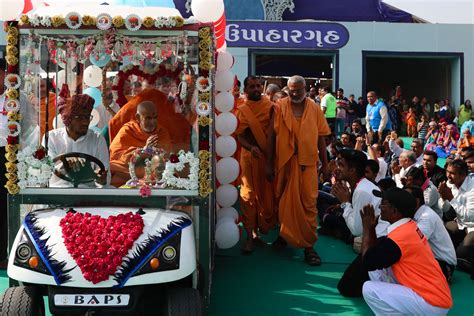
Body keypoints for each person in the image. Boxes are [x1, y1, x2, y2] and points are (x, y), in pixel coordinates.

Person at [266, 75, 331, 266]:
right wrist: (269, 164)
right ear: (288, 89)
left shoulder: (315, 108)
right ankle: (284, 235)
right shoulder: (279, 107)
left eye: (299, 90)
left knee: (309, 205)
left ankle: (309, 246)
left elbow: (321, 138)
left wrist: (326, 165)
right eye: (292, 90)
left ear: (305, 89)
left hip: (307, 165)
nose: (295, 93)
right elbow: (271, 137)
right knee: (283, 201)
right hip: (284, 164)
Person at [361, 188, 452, 315]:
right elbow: (373, 257)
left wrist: (366, 228)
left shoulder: (401, 237)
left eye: (383, 204)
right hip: (434, 296)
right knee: (377, 271)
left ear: (394, 210)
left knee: (368, 288)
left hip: (432, 303)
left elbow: (367, 261)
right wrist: (371, 229)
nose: (380, 206)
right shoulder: (409, 226)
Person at [235, 76, 276, 254]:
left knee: (267, 195)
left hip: (268, 158)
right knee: (248, 195)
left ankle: (260, 232)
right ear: (246, 90)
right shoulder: (242, 110)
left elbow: (276, 132)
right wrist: (251, 147)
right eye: (252, 87)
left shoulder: (272, 107)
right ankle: (249, 236)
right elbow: (240, 135)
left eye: (258, 85)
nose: (256, 89)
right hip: (249, 157)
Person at [44, 94, 109, 187]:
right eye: (80, 117)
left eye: (87, 117)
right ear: (68, 119)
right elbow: (46, 172)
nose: (86, 122)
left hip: (88, 195)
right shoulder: (51, 138)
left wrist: (101, 179)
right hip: (57, 194)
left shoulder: (98, 139)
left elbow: (105, 177)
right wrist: (66, 166)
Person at [109, 101, 173, 187]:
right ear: (138, 117)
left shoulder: (162, 132)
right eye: (148, 118)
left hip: (153, 169)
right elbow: (117, 154)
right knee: (110, 166)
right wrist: (144, 150)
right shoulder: (128, 130)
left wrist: (155, 152)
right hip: (132, 168)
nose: (152, 122)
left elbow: (168, 157)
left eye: (155, 118)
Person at [405, 186, 457, 283]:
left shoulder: (426, 217)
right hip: (431, 259)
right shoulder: (416, 213)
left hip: (443, 264)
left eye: (404, 199)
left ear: (416, 202)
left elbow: (414, 244)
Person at [438, 159, 474, 278]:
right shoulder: (449, 183)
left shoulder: (472, 188)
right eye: (447, 171)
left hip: (472, 225)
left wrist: (451, 198)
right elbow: (444, 209)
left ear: (463, 175)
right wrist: (443, 198)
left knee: (460, 255)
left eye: (452, 173)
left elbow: (470, 215)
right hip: (460, 223)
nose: (448, 175)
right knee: (440, 232)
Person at [0, 57, 7, 268]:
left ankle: (1, 254)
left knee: (3, 202)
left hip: (7, 155)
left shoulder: (16, 97)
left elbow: (28, 126)